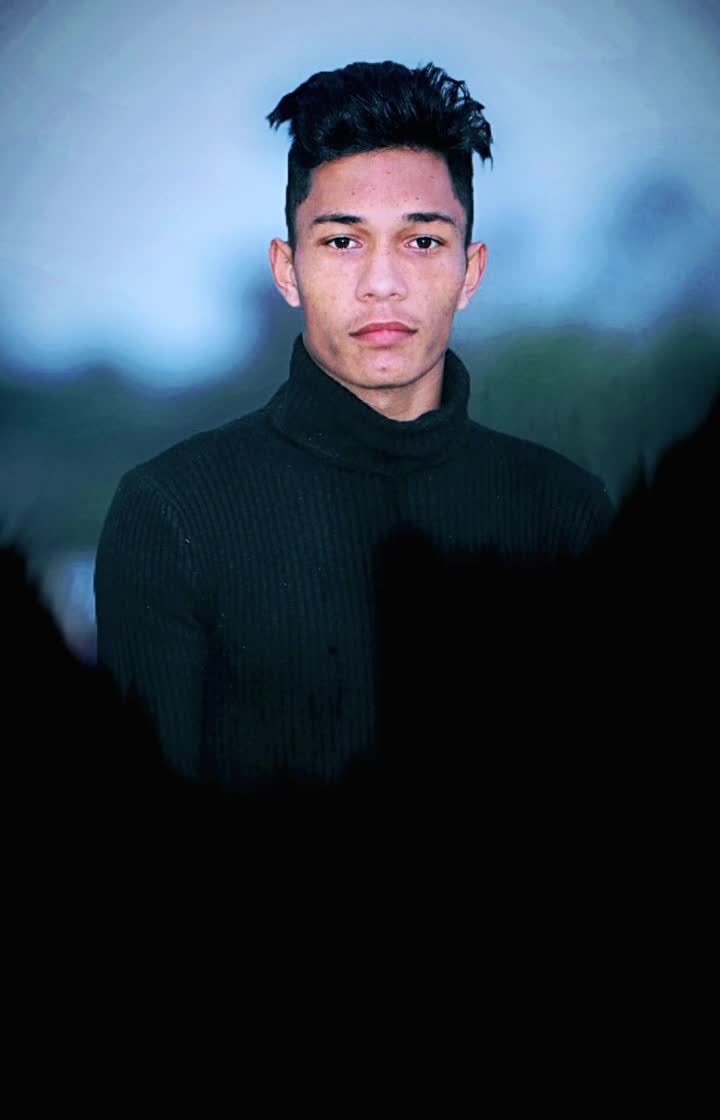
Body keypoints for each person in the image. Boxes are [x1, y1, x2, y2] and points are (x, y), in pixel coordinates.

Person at [94, 59, 614, 792]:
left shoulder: (568, 514)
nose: (382, 283)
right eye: (343, 241)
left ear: (470, 272)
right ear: (287, 269)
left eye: (422, 242)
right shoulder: (173, 514)